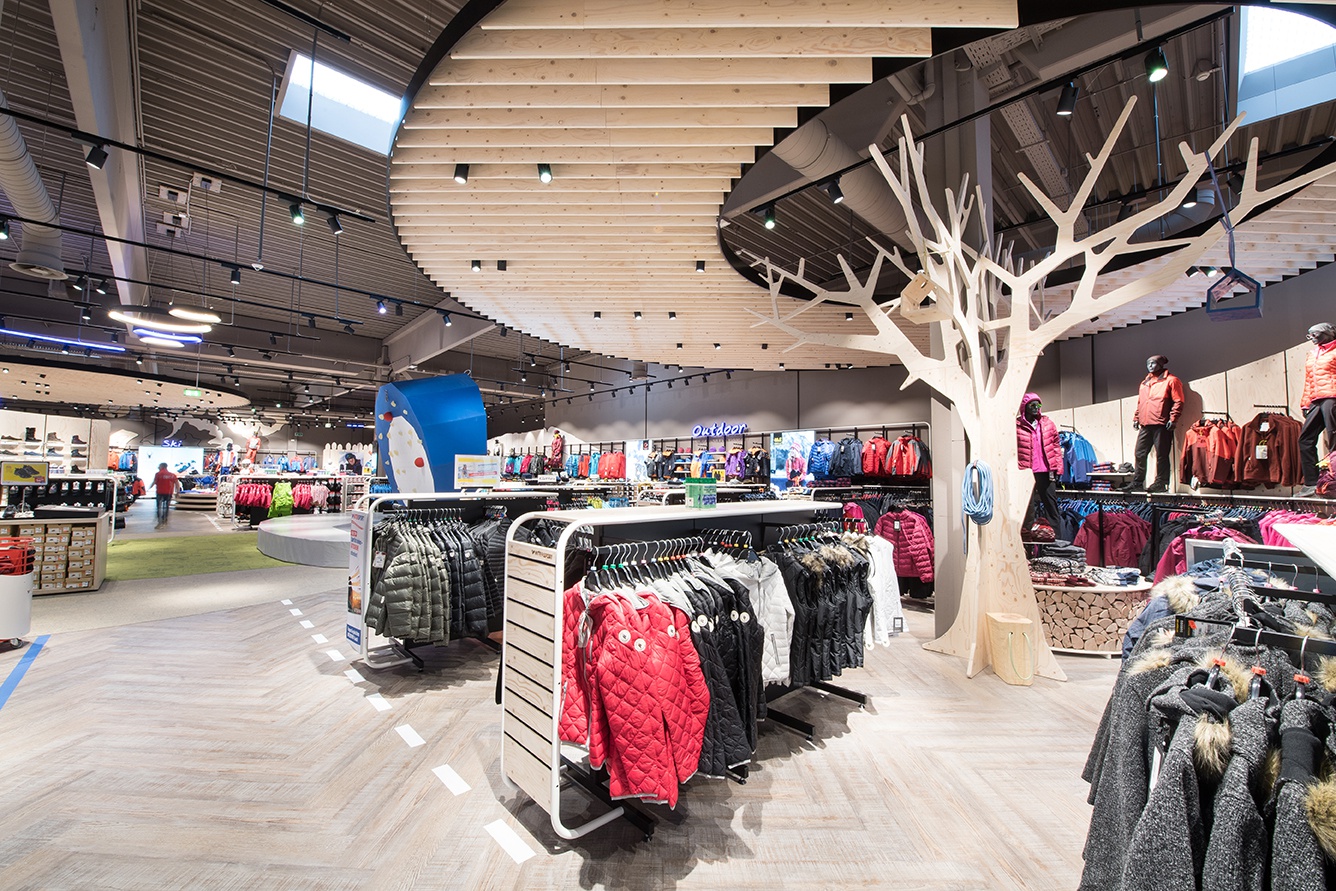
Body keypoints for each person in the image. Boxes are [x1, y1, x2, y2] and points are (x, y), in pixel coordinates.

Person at [1122, 354, 1184, 493]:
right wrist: (1136, 417)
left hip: (1162, 424)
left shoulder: (1171, 380)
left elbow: (1178, 401)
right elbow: (1141, 402)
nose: (1150, 365)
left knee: (1162, 455)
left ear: (1161, 364)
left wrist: (1173, 419)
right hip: (1145, 424)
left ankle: (1161, 483)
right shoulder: (1145, 383)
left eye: (1153, 363)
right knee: (1139, 453)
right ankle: (1138, 483)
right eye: (1148, 363)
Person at [1297, 321, 1336, 497]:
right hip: (1316, 400)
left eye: (1314, 334)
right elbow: (1309, 381)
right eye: (1309, 335)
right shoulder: (1312, 354)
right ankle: (1311, 483)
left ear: (1327, 333)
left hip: (1333, 397)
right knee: (1305, 439)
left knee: (1334, 438)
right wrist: (1306, 402)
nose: (1311, 338)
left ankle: (1333, 480)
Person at [1016, 393, 1064, 531]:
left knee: (1051, 505)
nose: (1036, 407)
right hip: (1026, 471)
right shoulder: (1017, 426)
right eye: (1032, 405)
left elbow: (1056, 446)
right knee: (1028, 507)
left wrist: (1058, 468)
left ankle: (1055, 537)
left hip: (1046, 470)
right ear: (1024, 407)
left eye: (1038, 404)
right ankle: (1027, 538)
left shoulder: (1047, 423)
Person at [152, 462, 179, 529]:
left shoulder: (158, 474)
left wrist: (149, 487)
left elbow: (154, 482)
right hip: (168, 493)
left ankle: (159, 522)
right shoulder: (172, 475)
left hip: (160, 492)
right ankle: (165, 521)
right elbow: (177, 484)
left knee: (159, 507)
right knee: (166, 507)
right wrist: (177, 492)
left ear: (162, 467)